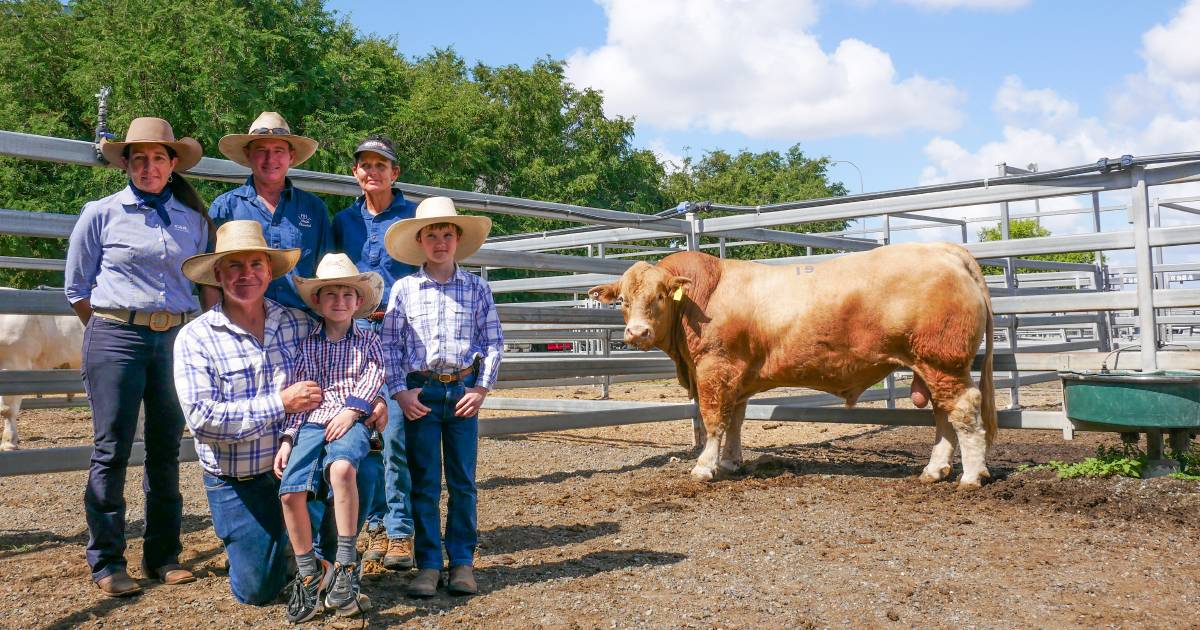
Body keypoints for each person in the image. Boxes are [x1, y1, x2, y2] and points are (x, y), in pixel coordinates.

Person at [173, 220, 386, 606]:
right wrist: (280, 403)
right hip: (241, 478)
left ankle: (339, 562)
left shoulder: (298, 323)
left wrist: (376, 399)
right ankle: (295, 556)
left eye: (255, 265)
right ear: (218, 275)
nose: (246, 275)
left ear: (269, 272)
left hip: (303, 456)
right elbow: (202, 420)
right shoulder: (195, 338)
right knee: (257, 589)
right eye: (234, 266)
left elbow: (351, 357)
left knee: (360, 462)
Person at [65, 117, 210, 597]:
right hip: (116, 333)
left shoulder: (193, 220)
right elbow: (77, 288)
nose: (150, 167)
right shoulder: (101, 213)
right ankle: (107, 560)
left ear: (173, 165)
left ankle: (162, 554)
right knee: (112, 448)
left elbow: (202, 284)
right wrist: (114, 329)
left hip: (175, 340)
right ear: (126, 163)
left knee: (166, 448)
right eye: (140, 158)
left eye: (159, 158)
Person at [380, 196, 503, 597]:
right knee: (426, 480)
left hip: (463, 391)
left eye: (446, 234)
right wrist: (399, 391)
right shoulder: (404, 289)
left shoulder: (477, 288)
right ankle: (429, 564)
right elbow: (389, 346)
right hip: (423, 391)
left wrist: (481, 388)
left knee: (464, 480)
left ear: (457, 240)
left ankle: (463, 562)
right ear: (420, 241)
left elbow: (494, 341)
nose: (439, 242)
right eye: (431, 235)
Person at [274, 253, 385, 622]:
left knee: (341, 471)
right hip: (310, 422)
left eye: (347, 295)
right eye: (331, 295)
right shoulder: (309, 344)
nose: (340, 301)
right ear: (318, 302)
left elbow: (374, 376)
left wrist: (353, 411)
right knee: (291, 491)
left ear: (358, 302)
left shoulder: (368, 341)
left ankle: (347, 564)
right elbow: (301, 391)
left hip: (349, 420)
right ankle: (309, 572)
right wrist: (288, 437)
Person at [332, 135, 418, 571]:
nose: (372, 172)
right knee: (365, 429)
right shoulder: (343, 220)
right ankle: (377, 525)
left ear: (394, 173)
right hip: (356, 330)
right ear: (356, 173)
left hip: (399, 329)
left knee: (397, 433)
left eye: (381, 165)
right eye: (364, 165)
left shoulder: (411, 219)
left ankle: (401, 530)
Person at [207, 111, 331, 312]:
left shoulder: (314, 209)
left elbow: (326, 272)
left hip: (303, 324)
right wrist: (216, 325)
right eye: (261, 149)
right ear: (248, 155)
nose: (270, 158)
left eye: (279, 150)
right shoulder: (225, 207)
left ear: (291, 156)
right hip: (241, 321)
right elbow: (209, 276)